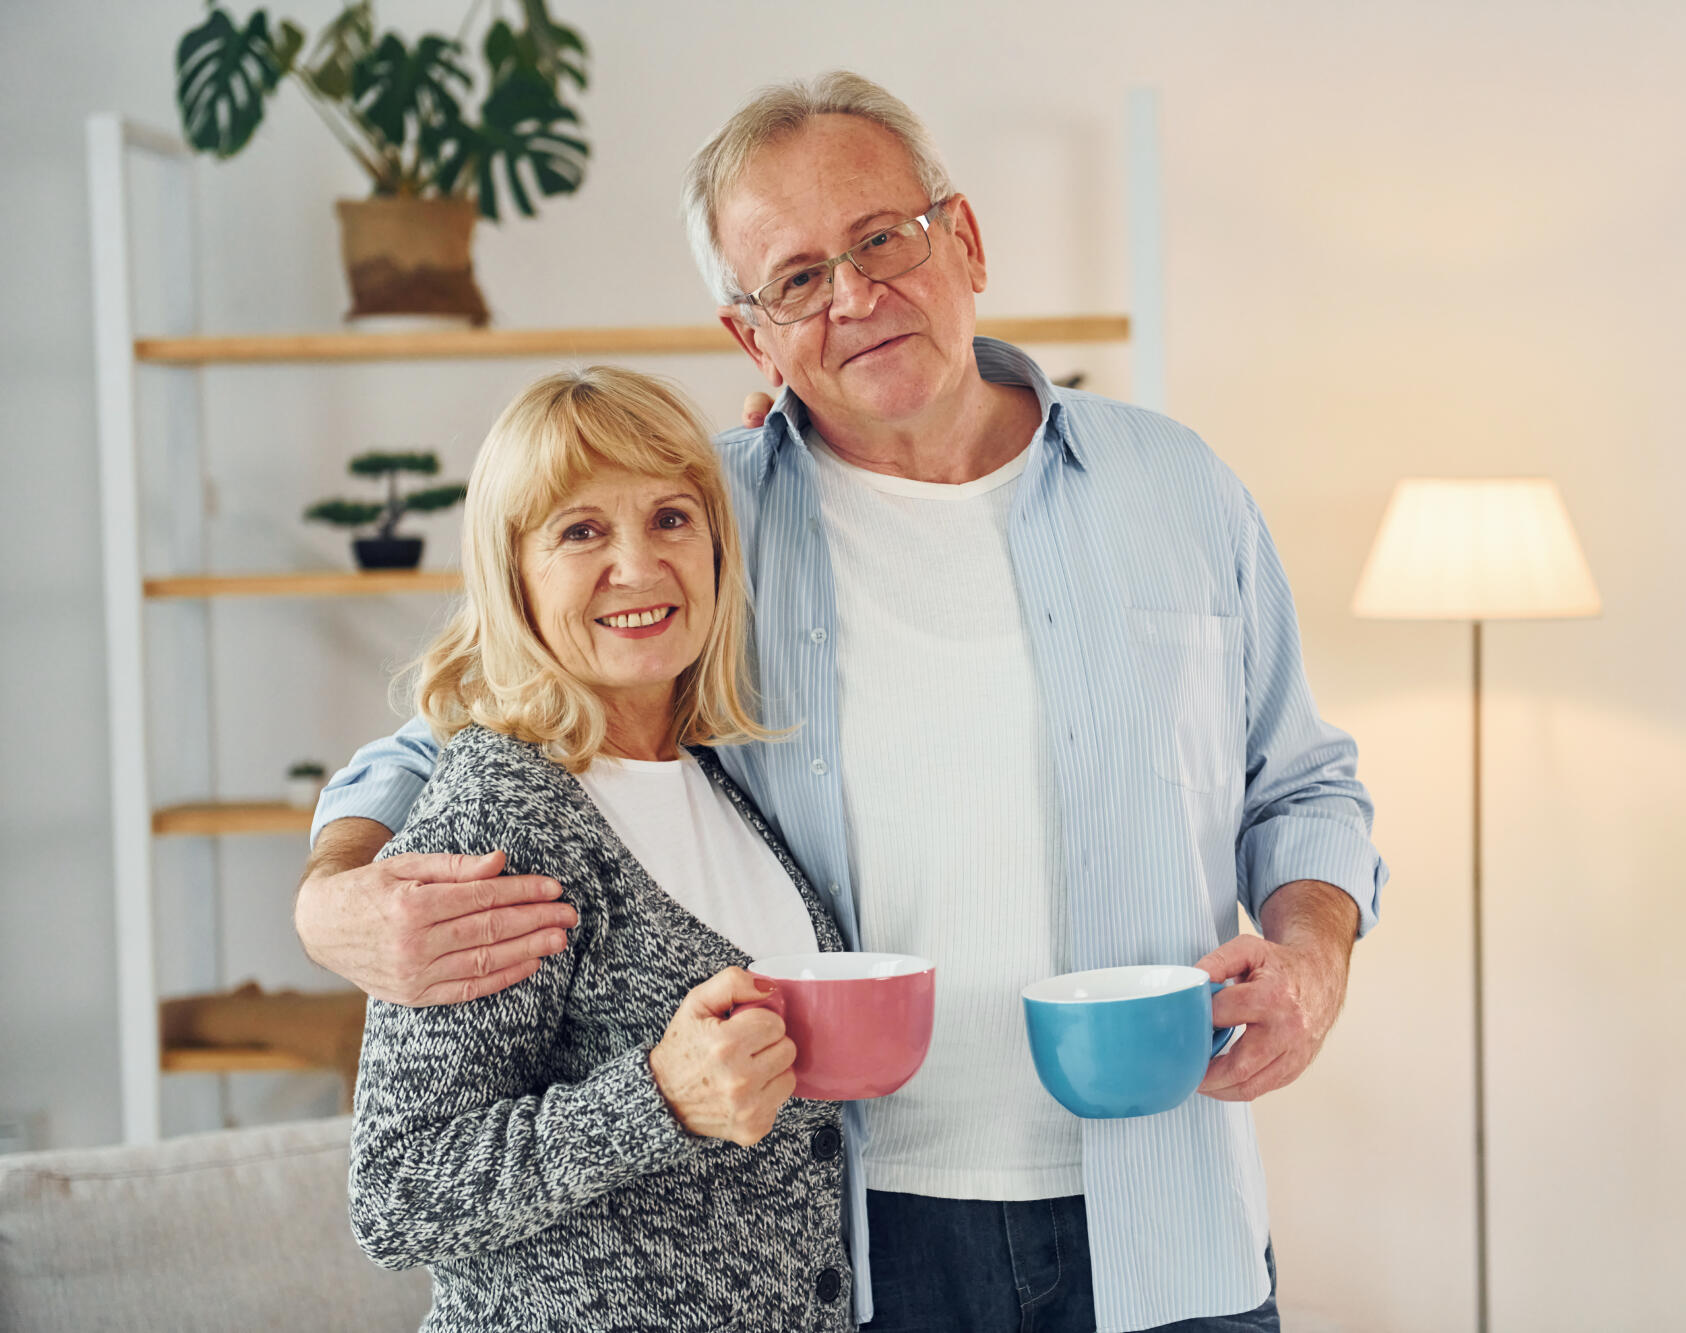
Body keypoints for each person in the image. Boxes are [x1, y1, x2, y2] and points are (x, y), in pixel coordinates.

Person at [300, 73, 1386, 1333]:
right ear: (748, 335)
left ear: (964, 239)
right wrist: (332, 891)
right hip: (850, 1242)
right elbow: (467, 715)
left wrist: (1313, 953)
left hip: (1164, 1211)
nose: (857, 296)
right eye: (798, 277)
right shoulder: (693, 523)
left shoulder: (1175, 487)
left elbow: (1302, 782)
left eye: (883, 238)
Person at [344, 366, 853, 1332]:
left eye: (671, 518)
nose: (638, 564)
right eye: (581, 531)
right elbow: (398, 1193)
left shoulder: (724, 779)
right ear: (514, 572)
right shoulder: (502, 815)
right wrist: (657, 1096)